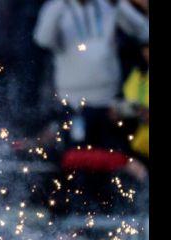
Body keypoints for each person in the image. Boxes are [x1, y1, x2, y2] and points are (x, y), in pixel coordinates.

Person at [33, 0, 148, 148]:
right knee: (77, 158)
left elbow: (143, 30)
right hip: (72, 103)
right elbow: (42, 39)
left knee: (112, 156)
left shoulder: (108, 5)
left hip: (109, 102)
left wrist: (119, 4)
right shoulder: (56, 7)